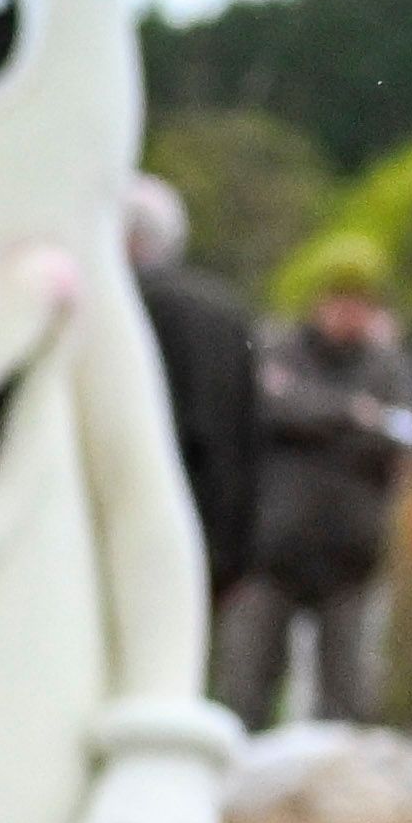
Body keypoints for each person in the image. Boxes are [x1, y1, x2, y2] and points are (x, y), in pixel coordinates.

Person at [221, 233, 412, 727]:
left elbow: (401, 433)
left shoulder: (389, 366)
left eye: (361, 305)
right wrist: (354, 415)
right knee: (246, 690)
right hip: (270, 554)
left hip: (351, 560)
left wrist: (318, 418)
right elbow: (269, 408)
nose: (348, 315)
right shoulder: (277, 347)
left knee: (347, 701)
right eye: (340, 301)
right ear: (318, 300)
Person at [121, 170, 262, 613]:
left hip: (125, 531)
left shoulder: (117, 307)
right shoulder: (228, 313)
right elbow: (249, 436)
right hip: (210, 533)